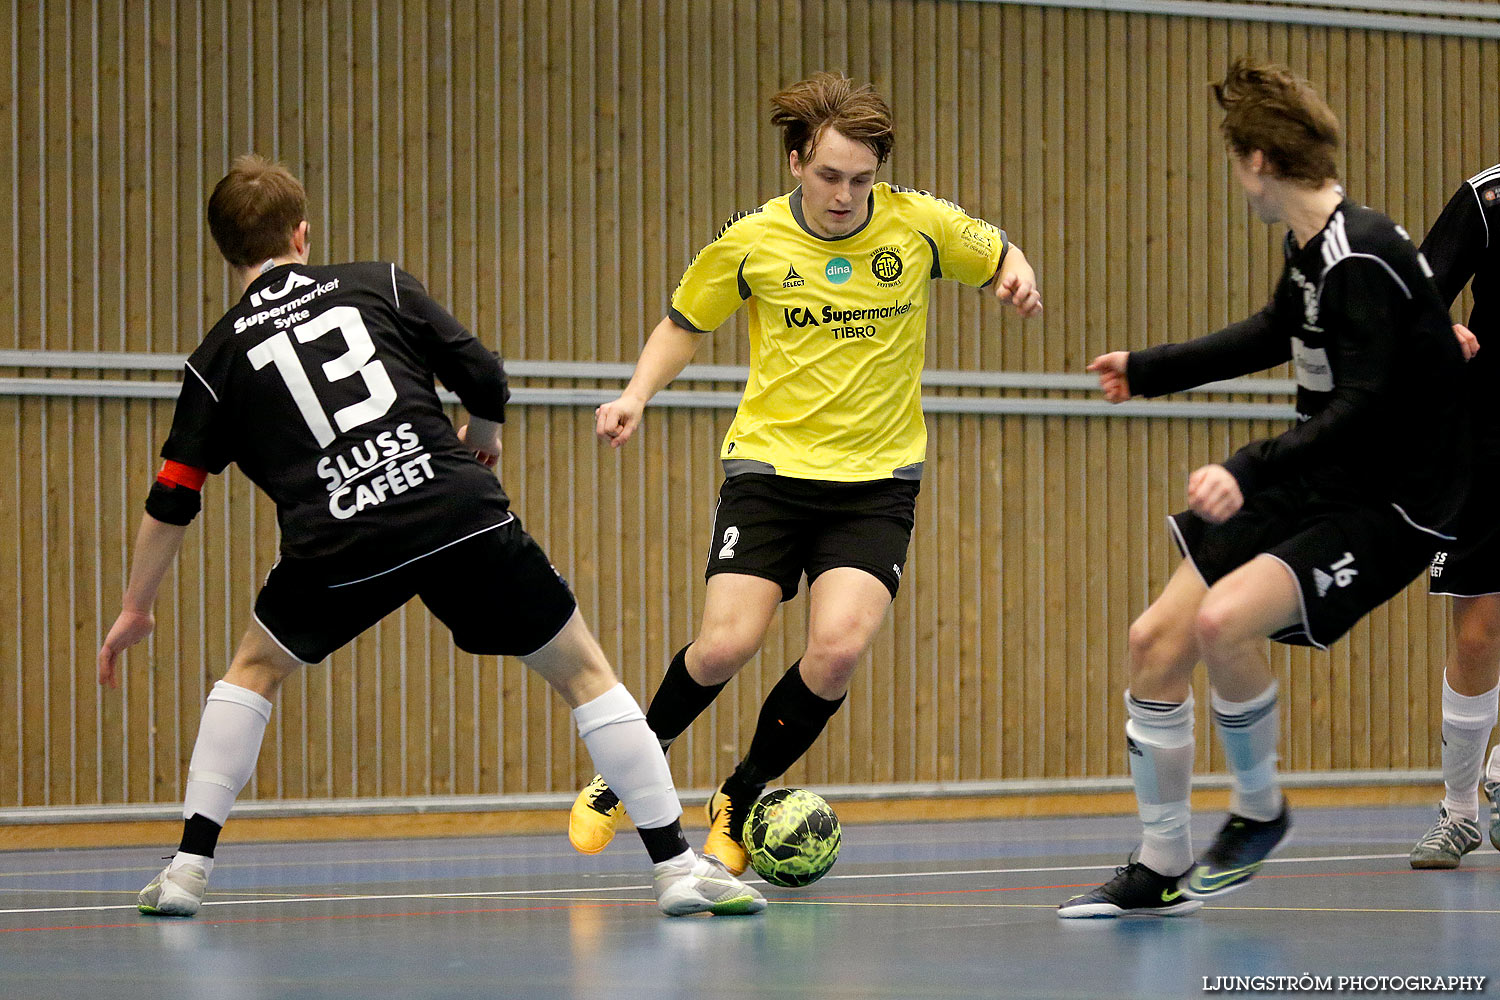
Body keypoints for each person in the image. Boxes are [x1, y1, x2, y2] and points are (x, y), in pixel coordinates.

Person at [96, 155, 764, 919]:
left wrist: (134, 607)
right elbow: (484, 373)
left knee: (251, 672)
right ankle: (677, 870)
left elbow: (173, 495)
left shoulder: (214, 360)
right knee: (584, 673)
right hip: (454, 510)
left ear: (224, 251)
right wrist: (482, 439)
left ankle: (185, 873)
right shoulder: (375, 283)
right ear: (302, 234)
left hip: (335, 541)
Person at [567, 71, 1043, 873]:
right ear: (795, 162)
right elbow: (684, 322)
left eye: (861, 179)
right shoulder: (751, 241)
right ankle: (626, 771)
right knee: (723, 647)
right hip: (771, 470)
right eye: (828, 176)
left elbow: (996, 251)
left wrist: (1014, 274)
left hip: (877, 480)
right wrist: (635, 394)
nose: (845, 195)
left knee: (836, 651)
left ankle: (743, 793)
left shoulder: (917, 226)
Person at [1059, 58, 1468, 918]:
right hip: (1325, 473)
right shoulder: (1311, 248)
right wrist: (1149, 368)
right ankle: (1160, 865)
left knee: (1220, 623)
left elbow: (1363, 407)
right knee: (1155, 640)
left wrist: (1244, 469)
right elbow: (1274, 333)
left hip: (1390, 501)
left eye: (1232, 159)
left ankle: (1259, 807)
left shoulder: (1362, 257)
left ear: (1257, 162)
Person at [1408, 162, 1500, 869]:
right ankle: (1461, 811)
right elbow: (1414, 296)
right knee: (1477, 633)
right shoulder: (1487, 196)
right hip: (1484, 437)